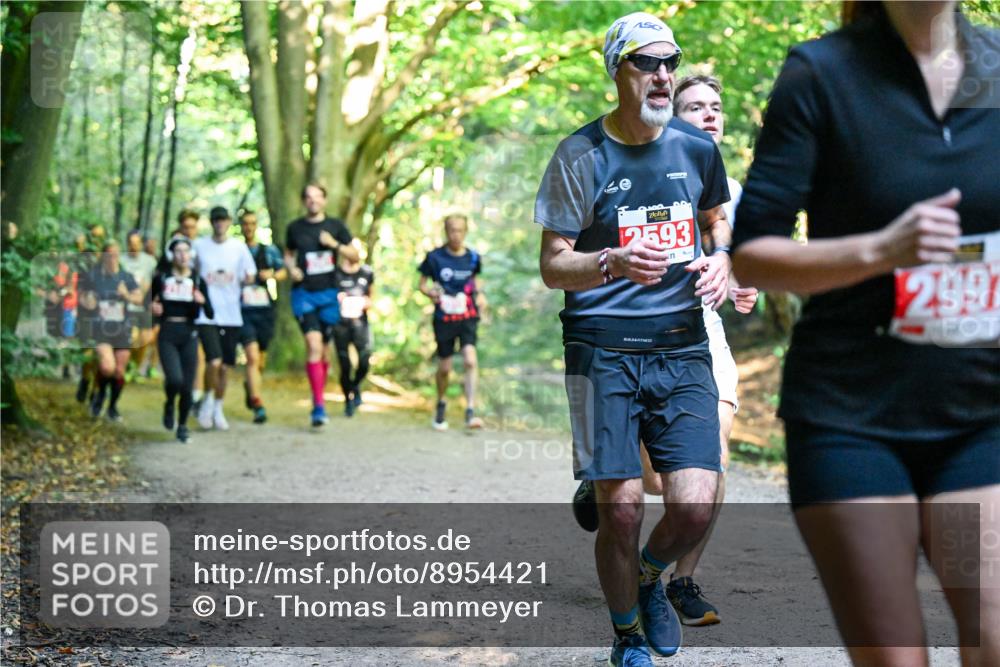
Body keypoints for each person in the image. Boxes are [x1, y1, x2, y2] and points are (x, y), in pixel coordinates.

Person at [732, 2, 999, 665]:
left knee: (992, 636)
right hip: (853, 420)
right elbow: (753, 255)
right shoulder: (822, 74)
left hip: (979, 418)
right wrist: (881, 250)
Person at [535, 12, 734, 666]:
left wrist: (723, 259)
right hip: (600, 349)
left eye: (670, 62)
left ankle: (650, 575)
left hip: (682, 344)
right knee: (619, 509)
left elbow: (717, 218)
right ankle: (626, 637)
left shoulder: (696, 148)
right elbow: (552, 265)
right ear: (618, 72)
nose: (663, 74)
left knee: (696, 504)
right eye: (647, 62)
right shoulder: (579, 155)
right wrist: (611, 261)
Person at [572, 74, 761, 628]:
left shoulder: (731, 190)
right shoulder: (637, 167)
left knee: (713, 458)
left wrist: (739, 280)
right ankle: (608, 475)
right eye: (695, 107)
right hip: (629, 335)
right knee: (652, 482)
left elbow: (733, 254)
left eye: (716, 107)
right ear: (670, 117)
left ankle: (677, 578)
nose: (709, 116)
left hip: (700, 333)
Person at [284, 183, 358, 427]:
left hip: (329, 295)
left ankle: (319, 394)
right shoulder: (295, 228)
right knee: (313, 345)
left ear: (324, 200)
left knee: (324, 351)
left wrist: (334, 244)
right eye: (309, 197)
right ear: (303, 201)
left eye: (317, 197)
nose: (313, 201)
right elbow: (288, 254)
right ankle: (318, 405)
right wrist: (291, 269)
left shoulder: (336, 226)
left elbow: (355, 255)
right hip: (304, 294)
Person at [418, 214, 486, 431]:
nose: (456, 235)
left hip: (467, 316)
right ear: (446, 231)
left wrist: (480, 296)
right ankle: (441, 402)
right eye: (452, 230)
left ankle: (470, 411)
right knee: (445, 368)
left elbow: (476, 281)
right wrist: (431, 293)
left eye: (460, 230)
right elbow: (422, 284)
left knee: (470, 360)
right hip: (444, 318)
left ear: (466, 231)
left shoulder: (473, 257)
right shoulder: (434, 258)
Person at [193, 206, 256, 431]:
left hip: (231, 314)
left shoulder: (238, 247)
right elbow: (188, 270)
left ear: (229, 222)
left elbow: (250, 274)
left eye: (223, 219)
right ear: (211, 222)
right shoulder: (199, 245)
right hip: (207, 314)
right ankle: (207, 401)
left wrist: (246, 279)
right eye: (216, 220)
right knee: (214, 361)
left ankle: (218, 406)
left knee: (224, 367)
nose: (220, 223)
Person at [151, 238, 213, 443]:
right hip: (167, 332)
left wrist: (202, 302)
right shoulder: (161, 278)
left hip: (189, 333)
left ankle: (183, 426)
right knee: (175, 380)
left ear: (191, 254)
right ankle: (169, 403)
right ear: (171, 255)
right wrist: (153, 309)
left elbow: (210, 313)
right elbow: (148, 305)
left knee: (187, 386)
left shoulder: (197, 280)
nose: (182, 255)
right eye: (178, 251)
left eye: (186, 251)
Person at [77, 241, 143, 421]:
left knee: (119, 371)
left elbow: (139, 298)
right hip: (101, 328)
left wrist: (126, 295)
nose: (113, 259)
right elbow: (82, 296)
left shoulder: (126, 277)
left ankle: (113, 407)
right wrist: (88, 301)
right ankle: (99, 395)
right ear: (103, 256)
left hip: (122, 328)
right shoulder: (94, 276)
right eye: (109, 255)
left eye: (116, 255)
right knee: (107, 367)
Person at [238, 209, 286, 424]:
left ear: (256, 225)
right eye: (245, 223)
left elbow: (283, 271)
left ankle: (250, 386)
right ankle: (258, 404)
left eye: (252, 223)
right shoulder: (235, 251)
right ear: (241, 226)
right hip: (243, 311)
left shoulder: (269, 251)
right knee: (252, 357)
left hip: (265, 310)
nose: (249, 227)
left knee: (260, 360)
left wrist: (272, 275)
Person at [332, 251, 374, 417]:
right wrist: (338, 299)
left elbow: (371, 298)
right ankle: (347, 401)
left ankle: (354, 385)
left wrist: (363, 303)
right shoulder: (335, 273)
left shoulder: (367, 272)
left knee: (364, 361)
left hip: (360, 324)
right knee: (345, 365)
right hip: (340, 325)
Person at [119, 229, 158, 379]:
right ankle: (128, 364)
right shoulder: (121, 261)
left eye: (137, 243)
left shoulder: (150, 262)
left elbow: (155, 283)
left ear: (141, 244)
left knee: (146, 338)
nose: (134, 246)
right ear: (127, 244)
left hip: (144, 305)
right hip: (126, 306)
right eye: (131, 243)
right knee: (131, 337)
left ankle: (135, 366)